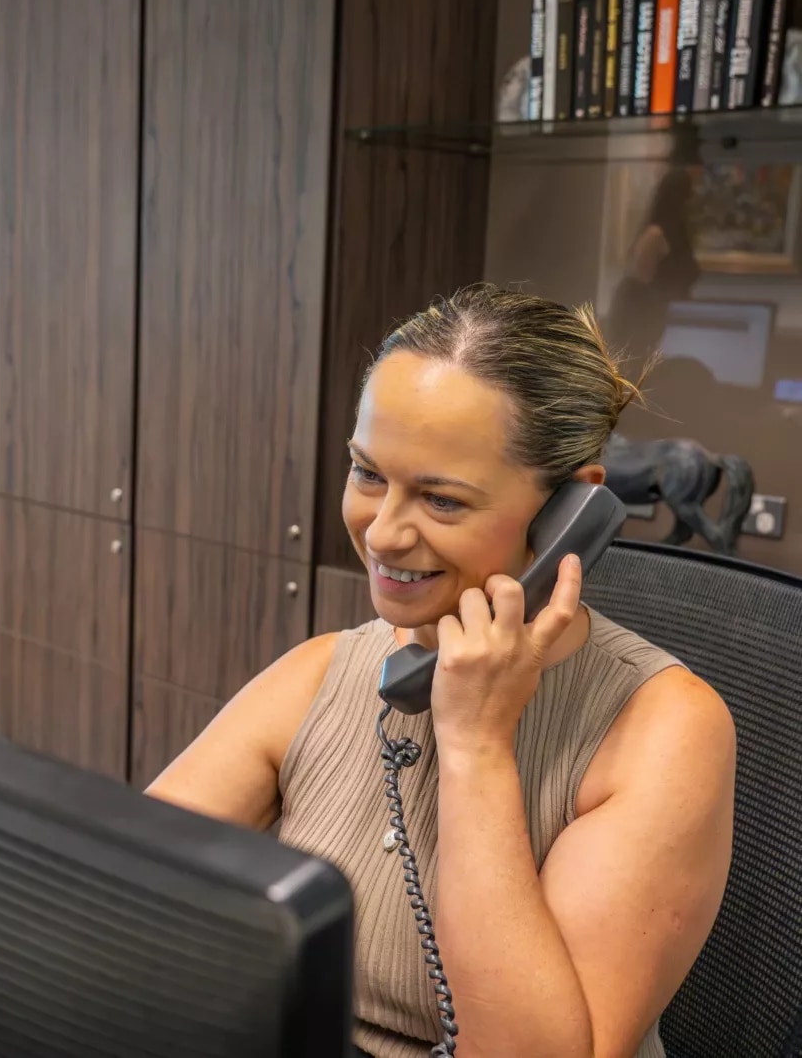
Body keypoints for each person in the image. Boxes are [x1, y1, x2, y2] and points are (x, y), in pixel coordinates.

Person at [147, 285, 735, 1058]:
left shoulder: (666, 731)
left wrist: (476, 746)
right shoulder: (324, 671)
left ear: (569, 513)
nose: (383, 532)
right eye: (367, 475)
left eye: (440, 499)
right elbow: (130, 896)